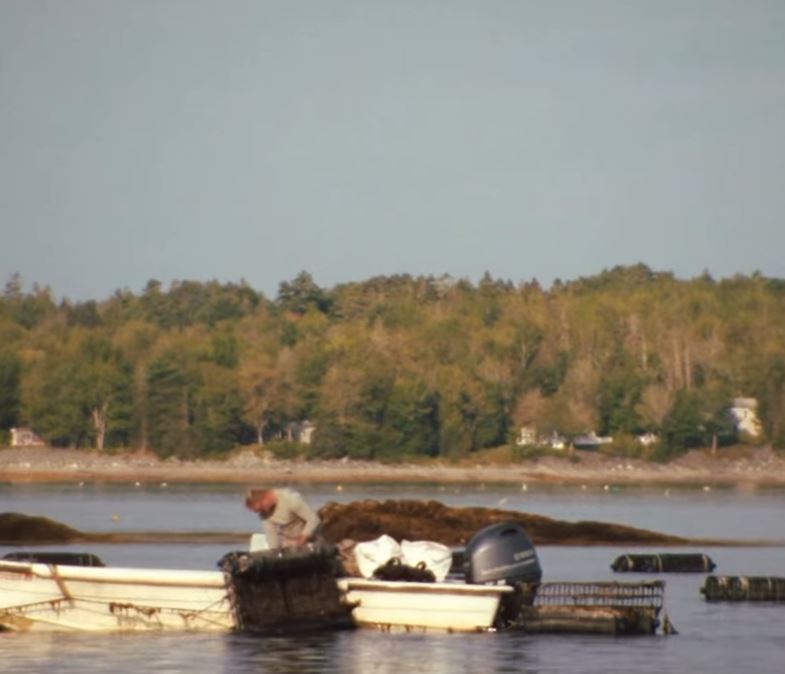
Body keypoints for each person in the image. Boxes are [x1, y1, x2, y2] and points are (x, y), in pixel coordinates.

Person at [245, 487, 322, 549]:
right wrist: (273, 553)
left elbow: (313, 519)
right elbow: (271, 536)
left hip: (311, 539)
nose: (261, 512)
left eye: (260, 509)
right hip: (290, 542)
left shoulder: (290, 499)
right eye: (257, 511)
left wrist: (303, 537)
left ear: (265, 499)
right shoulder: (264, 513)